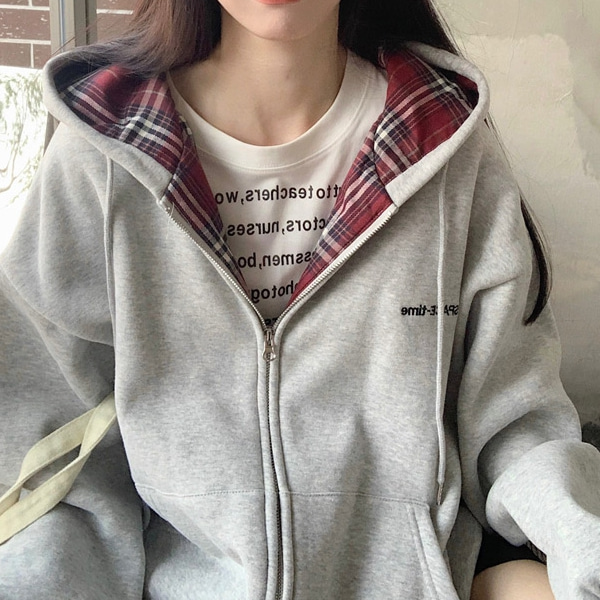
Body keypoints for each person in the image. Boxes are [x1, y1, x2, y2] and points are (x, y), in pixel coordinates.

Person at [0, 0, 599, 598]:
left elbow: (515, 427)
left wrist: (581, 553)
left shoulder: (445, 149)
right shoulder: (102, 161)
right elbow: (53, 469)